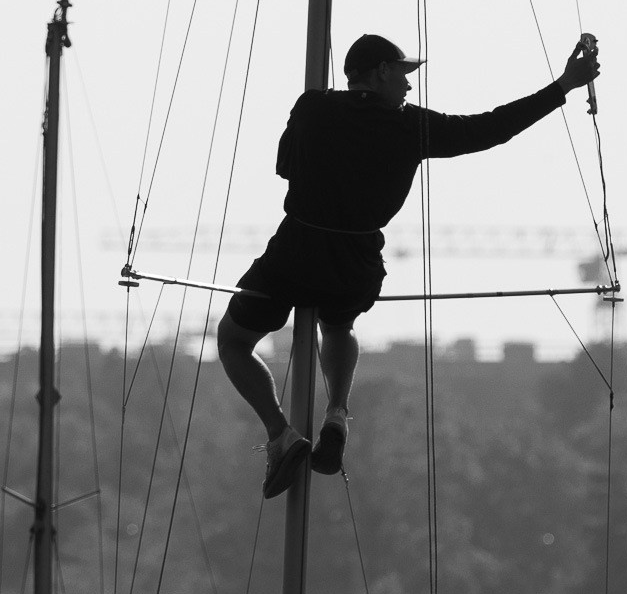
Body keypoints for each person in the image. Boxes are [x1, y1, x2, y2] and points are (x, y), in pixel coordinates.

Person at [217, 31, 601, 497]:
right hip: (355, 260)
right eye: (403, 74)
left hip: (296, 248)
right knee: (337, 327)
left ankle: (280, 434)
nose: (409, 86)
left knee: (234, 339)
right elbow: (491, 128)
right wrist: (563, 86)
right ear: (380, 72)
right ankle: (336, 413)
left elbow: (285, 167)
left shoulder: (311, 107)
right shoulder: (409, 126)